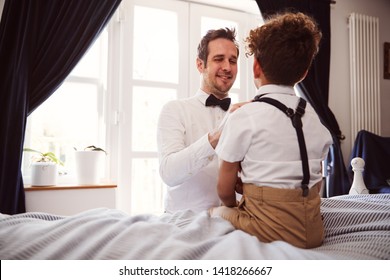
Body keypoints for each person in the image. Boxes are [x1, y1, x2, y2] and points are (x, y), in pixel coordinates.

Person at [209, 12, 333, 249]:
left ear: (256, 66)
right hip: (313, 231)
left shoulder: (244, 116)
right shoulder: (315, 119)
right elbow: (316, 183)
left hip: (267, 230)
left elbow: (224, 189)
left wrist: (231, 208)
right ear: (304, 73)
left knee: (216, 212)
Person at [157, 28, 239, 213]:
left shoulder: (243, 116)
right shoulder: (174, 110)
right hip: (182, 224)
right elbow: (169, 173)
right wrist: (215, 138)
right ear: (200, 65)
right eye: (219, 59)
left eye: (232, 61)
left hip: (233, 226)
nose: (227, 67)